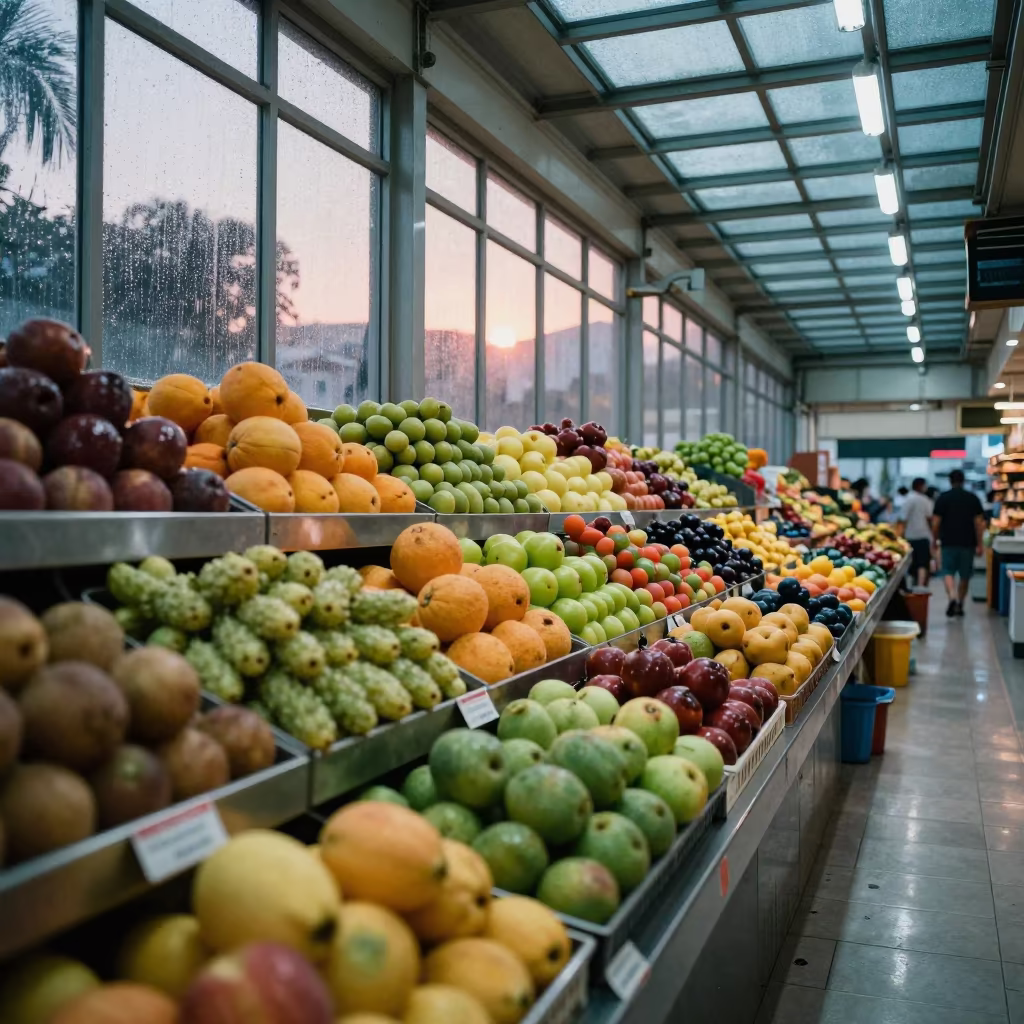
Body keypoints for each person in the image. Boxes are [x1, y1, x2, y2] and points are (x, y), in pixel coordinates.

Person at [932, 469, 985, 617]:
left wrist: (934, 540)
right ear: (963, 481)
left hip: (948, 542)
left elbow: (936, 523)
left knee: (947, 571)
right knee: (965, 575)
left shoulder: (943, 498)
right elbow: (979, 523)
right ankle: (960, 603)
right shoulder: (972, 498)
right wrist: (980, 544)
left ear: (950, 481)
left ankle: (952, 597)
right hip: (968, 543)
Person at [899, 477, 934, 588]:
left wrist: (901, 535)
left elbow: (903, 519)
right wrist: (933, 536)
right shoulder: (926, 500)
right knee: (922, 563)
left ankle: (912, 586)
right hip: (923, 536)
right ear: (920, 486)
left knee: (911, 563)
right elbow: (930, 519)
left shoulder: (908, 499)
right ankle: (920, 585)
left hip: (910, 536)